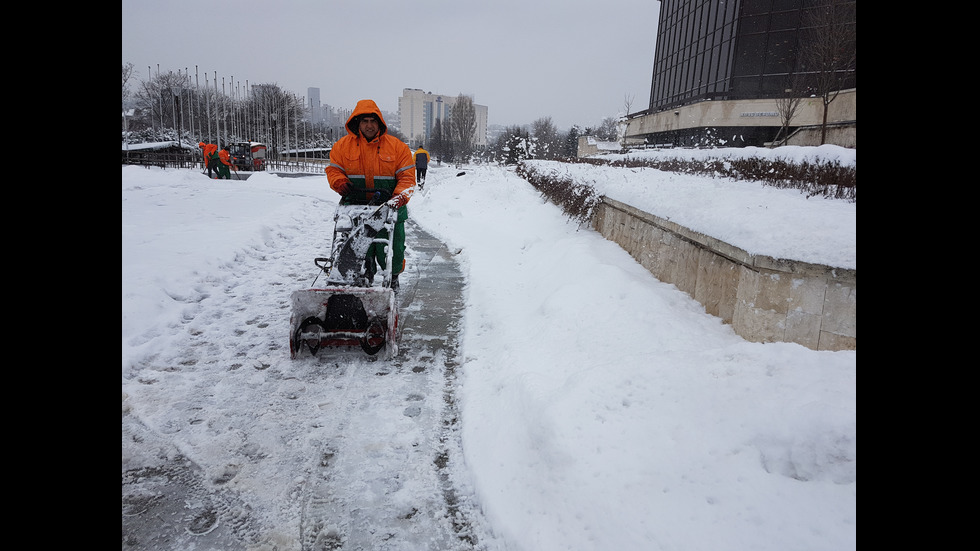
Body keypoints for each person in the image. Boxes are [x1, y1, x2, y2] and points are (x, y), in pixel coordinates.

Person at [326, 99, 416, 290]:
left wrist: (399, 197)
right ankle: (364, 275)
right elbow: (334, 170)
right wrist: (340, 183)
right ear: (357, 123)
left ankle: (392, 277)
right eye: (365, 121)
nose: (369, 125)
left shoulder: (397, 147)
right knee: (356, 249)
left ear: (380, 123)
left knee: (393, 250)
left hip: (389, 208)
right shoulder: (342, 147)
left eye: (372, 121)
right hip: (355, 208)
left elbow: (407, 177)